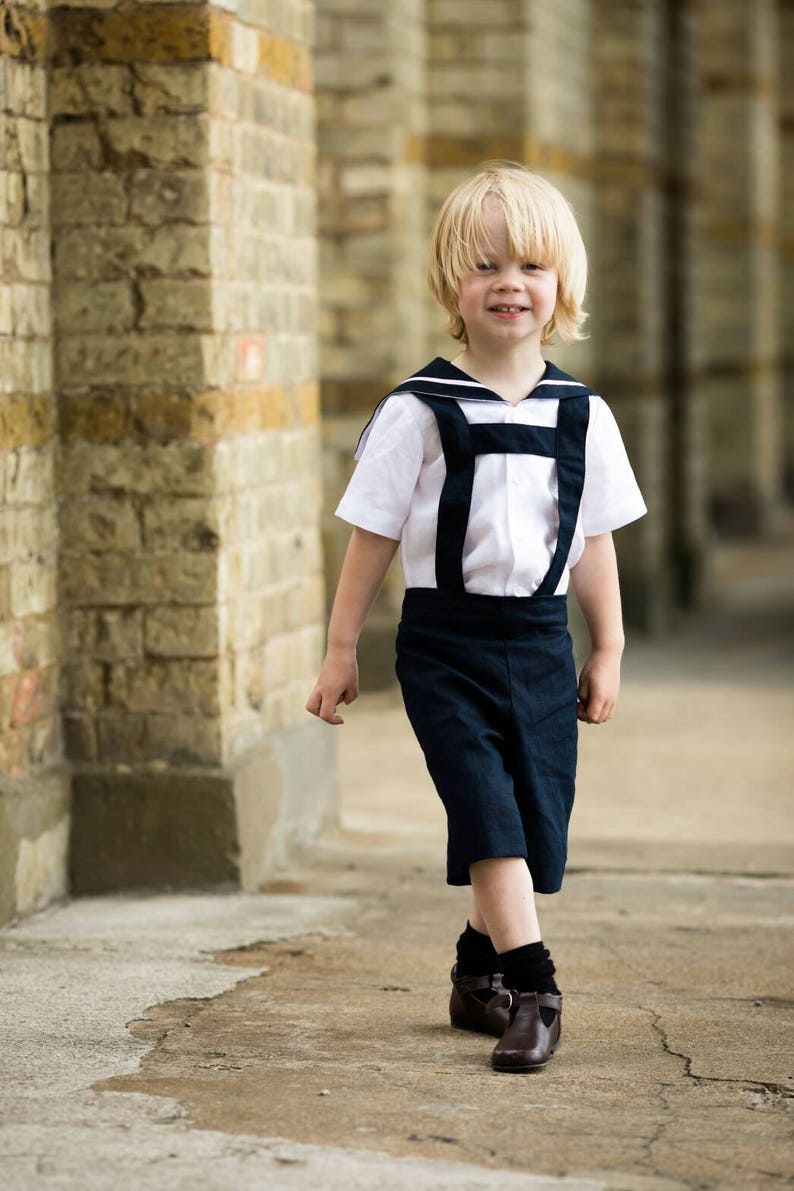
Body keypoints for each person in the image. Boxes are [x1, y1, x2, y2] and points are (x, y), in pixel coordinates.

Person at [305, 161, 647, 1073]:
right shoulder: (418, 409)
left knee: (531, 822)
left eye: (531, 266)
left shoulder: (584, 415)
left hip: (539, 639)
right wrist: (342, 651)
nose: (510, 283)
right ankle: (536, 988)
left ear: (561, 284)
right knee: (486, 807)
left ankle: (472, 971)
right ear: (453, 283)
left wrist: (606, 646)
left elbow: (596, 540)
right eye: (486, 264)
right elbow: (370, 538)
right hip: (444, 644)